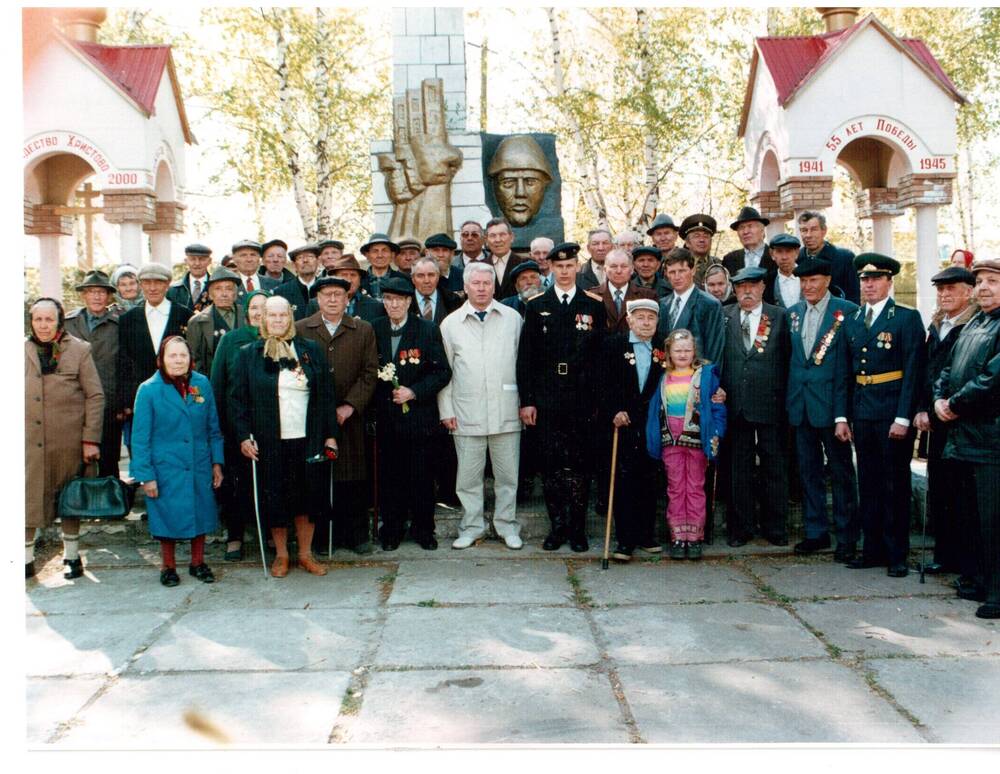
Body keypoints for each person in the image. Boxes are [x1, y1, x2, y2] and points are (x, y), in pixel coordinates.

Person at [232, 296, 339, 577]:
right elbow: (237, 401)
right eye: (272, 316)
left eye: (283, 316)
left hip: (308, 437)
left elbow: (326, 395)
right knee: (276, 498)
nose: (278, 321)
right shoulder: (248, 354)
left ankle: (305, 554)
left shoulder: (309, 350)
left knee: (308, 497)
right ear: (263, 319)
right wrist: (244, 436)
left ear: (290, 319)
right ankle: (282, 555)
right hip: (270, 442)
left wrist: (330, 435)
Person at [518, 243, 606, 552]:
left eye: (570, 266)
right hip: (547, 397)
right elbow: (525, 358)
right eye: (559, 266)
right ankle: (557, 527)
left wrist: (598, 402)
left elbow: (600, 358)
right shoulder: (536, 304)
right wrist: (527, 400)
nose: (565, 271)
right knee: (551, 465)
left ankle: (578, 529)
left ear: (577, 267)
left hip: (582, 398)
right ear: (551, 269)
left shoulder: (593, 304)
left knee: (579, 465)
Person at [844, 253, 926, 577]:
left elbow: (913, 371)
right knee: (869, 483)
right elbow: (847, 372)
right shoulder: (852, 320)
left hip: (893, 413)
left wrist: (904, 417)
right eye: (865, 280)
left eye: (876, 278)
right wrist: (845, 416)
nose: (870, 284)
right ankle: (872, 548)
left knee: (895, 484)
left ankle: (896, 554)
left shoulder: (905, 318)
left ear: (889, 281)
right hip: (863, 412)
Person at [439, 262, 525, 549]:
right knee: (468, 478)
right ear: (465, 286)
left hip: (506, 409)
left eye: (486, 283)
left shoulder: (513, 319)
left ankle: (507, 526)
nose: (481, 288)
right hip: (466, 412)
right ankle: (472, 527)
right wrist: (446, 409)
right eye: (475, 283)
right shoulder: (450, 324)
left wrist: (525, 404)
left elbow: (524, 365)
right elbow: (445, 371)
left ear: (493, 286)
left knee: (507, 475)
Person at [933, 258, 1000, 619]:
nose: (985, 287)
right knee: (970, 513)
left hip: (991, 436)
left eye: (993, 280)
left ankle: (997, 590)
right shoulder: (976, 320)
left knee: (993, 517)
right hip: (963, 436)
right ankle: (975, 577)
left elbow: (992, 378)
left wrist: (955, 404)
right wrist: (940, 398)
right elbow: (948, 367)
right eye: (981, 281)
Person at [130, 336, 224, 586]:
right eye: (173, 355)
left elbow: (213, 428)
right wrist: (146, 475)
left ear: (190, 359)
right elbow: (140, 439)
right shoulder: (148, 390)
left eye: (183, 355)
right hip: (165, 468)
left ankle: (198, 562)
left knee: (201, 512)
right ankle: (168, 566)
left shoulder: (202, 384)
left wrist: (217, 462)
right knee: (165, 516)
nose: (179, 360)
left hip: (199, 463)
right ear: (161, 359)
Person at [297, 277, 378, 554]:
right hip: (312, 417)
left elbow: (370, 373)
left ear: (348, 299)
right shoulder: (301, 329)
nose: (332, 300)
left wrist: (349, 405)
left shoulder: (362, 329)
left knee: (351, 476)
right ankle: (320, 536)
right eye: (326, 295)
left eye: (338, 295)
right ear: (317, 300)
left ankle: (356, 534)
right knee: (318, 475)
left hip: (350, 417)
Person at [786, 257, 860, 561]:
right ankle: (816, 532)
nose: (808, 287)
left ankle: (847, 537)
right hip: (800, 406)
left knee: (842, 473)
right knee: (809, 472)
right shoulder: (793, 313)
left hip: (833, 408)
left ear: (827, 280)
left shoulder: (847, 312)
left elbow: (851, 367)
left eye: (813, 281)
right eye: (803, 282)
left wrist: (845, 413)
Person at [25, 298, 104, 579]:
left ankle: (72, 558)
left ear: (59, 321)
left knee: (69, 501)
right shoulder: (19, 349)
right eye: (38, 320)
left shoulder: (79, 350)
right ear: (31, 322)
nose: (44, 325)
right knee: (28, 499)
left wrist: (90, 439)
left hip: (69, 443)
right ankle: (25, 560)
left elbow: (95, 395)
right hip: (29, 444)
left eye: (49, 319)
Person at [372, 277, 452, 550]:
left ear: (409, 302)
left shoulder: (427, 330)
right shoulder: (374, 329)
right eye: (388, 299)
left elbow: (443, 371)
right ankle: (392, 530)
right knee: (390, 478)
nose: (393, 304)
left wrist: (414, 391)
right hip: (386, 419)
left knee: (421, 477)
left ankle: (423, 530)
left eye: (399, 300)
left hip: (419, 419)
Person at [720, 266, 791, 546]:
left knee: (774, 466)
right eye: (740, 287)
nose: (746, 292)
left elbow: (788, 360)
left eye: (752, 286)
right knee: (740, 469)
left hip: (771, 404)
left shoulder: (780, 317)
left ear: (762, 287)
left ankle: (775, 528)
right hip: (735, 404)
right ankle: (741, 528)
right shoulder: (725, 315)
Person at [914, 266, 977, 578]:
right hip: (936, 418)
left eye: (951, 288)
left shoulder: (975, 323)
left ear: (969, 291)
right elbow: (928, 371)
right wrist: (923, 408)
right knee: (940, 489)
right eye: (940, 289)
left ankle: (968, 562)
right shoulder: (938, 323)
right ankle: (945, 555)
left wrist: (950, 404)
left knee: (964, 493)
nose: (944, 294)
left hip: (963, 419)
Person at [645, 328, 726, 560]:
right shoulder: (662, 376)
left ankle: (695, 536)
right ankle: (678, 536)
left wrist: (717, 432)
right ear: (669, 352)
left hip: (697, 440)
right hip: (670, 439)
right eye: (678, 350)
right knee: (676, 487)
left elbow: (717, 408)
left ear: (694, 352)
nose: (683, 354)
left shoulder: (706, 375)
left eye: (687, 350)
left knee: (695, 487)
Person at [602, 299, 665, 560]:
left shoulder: (662, 348)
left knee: (649, 479)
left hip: (650, 423)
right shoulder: (613, 346)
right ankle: (625, 540)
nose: (646, 322)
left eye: (651, 318)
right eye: (640, 317)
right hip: (623, 422)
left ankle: (646, 535)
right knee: (624, 481)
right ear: (629, 320)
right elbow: (601, 383)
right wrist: (613, 410)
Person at [210, 289, 270, 561]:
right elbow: (218, 383)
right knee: (235, 483)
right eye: (254, 308)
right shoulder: (232, 341)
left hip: (270, 424)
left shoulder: (280, 340)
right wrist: (223, 427)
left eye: (265, 307)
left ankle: (269, 531)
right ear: (246, 313)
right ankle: (234, 535)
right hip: (236, 423)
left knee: (270, 480)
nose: (260, 313)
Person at [117, 263, 193, 431]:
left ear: (167, 285)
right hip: (140, 399)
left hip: (177, 396)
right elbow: (123, 363)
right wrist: (126, 402)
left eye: (158, 282)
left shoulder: (185, 315)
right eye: (146, 282)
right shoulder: (127, 319)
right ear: (140, 285)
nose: (152, 288)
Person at [64, 270, 122, 479]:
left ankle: (112, 508)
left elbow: (126, 365)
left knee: (109, 460)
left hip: (109, 403)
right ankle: (77, 506)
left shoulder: (120, 323)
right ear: (84, 295)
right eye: (91, 292)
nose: (96, 296)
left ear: (108, 296)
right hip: (75, 401)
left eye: (101, 292)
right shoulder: (69, 322)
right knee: (75, 460)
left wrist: (123, 403)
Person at [656, 247, 725, 366]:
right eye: (672, 272)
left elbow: (715, 351)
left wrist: (707, 381)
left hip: (695, 378)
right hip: (667, 377)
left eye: (682, 271)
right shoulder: (663, 304)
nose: (677, 277)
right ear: (666, 274)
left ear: (693, 270)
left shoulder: (710, 304)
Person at [185, 267, 244, 376]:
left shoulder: (247, 315)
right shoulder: (197, 322)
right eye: (218, 289)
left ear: (235, 294)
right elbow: (194, 360)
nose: (224, 294)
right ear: (210, 295)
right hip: (213, 382)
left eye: (229, 288)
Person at [797, 211, 860, 305]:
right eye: (804, 230)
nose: (808, 235)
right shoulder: (797, 258)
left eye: (814, 229)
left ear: (824, 230)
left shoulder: (844, 257)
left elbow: (854, 296)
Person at [723, 206, 777, 303]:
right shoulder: (729, 259)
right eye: (741, 228)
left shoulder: (776, 256)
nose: (746, 232)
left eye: (750, 226)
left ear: (762, 230)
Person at [598, 248, 657, 333]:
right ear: (605, 269)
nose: (619, 271)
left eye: (624, 266)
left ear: (632, 269)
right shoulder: (593, 295)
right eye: (613, 266)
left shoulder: (647, 295)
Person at [328, 254, 388, 323]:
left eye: (353, 275)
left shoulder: (376, 307)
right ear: (334, 278)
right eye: (344, 275)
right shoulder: (318, 304)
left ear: (360, 280)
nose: (349, 280)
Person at [411, 255, 463, 324]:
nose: (426, 281)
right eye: (420, 276)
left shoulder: (453, 300)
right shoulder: (404, 301)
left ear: (438, 277)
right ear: (413, 279)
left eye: (431, 275)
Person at [274, 243, 322, 320]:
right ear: (294, 265)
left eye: (310, 256)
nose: (305, 260)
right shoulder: (281, 292)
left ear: (318, 261)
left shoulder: (326, 289)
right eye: (300, 258)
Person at [481, 217, 524, 301]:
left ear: (511, 237)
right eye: (493, 236)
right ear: (486, 240)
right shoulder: (479, 266)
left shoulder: (524, 263)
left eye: (502, 235)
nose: (498, 240)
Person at [678, 214, 722, 288]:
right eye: (696, 236)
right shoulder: (678, 265)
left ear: (711, 241)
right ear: (687, 243)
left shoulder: (718, 264)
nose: (702, 240)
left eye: (706, 236)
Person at [167, 243, 213, 312]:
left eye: (202, 259)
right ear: (186, 261)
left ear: (209, 261)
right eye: (192, 259)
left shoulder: (217, 287)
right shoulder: (173, 290)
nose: (197, 263)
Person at [360, 233, 404, 299]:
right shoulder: (359, 280)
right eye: (375, 251)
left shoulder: (403, 280)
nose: (380, 255)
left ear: (392, 255)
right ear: (367, 255)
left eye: (385, 251)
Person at [768, 233, 803, 308]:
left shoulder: (809, 275)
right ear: (772, 255)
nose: (784, 257)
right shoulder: (768, 281)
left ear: (796, 253)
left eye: (788, 251)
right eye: (779, 251)